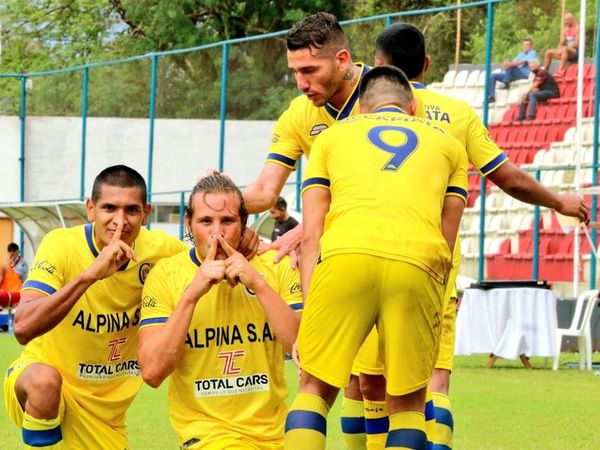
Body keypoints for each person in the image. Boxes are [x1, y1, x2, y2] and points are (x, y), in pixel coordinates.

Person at [337, 22, 589, 450]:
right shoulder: (458, 114)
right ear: (428, 65)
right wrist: (558, 202)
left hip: (365, 254)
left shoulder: (358, 114)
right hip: (432, 266)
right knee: (432, 379)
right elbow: (507, 177)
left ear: (377, 67)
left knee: (364, 382)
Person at [285, 65, 467, 450]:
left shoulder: (332, 139)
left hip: (345, 255)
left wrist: (308, 309)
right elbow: (446, 242)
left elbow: (312, 234)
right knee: (408, 404)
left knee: (314, 387)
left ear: (362, 111)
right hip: (417, 262)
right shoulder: (450, 146)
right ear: (414, 107)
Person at [3, 165, 188, 449]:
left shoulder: (163, 252)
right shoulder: (61, 244)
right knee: (44, 382)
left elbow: (208, 249)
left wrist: (249, 240)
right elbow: (23, 327)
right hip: (48, 387)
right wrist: (90, 275)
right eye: (109, 208)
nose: (120, 221)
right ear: (91, 209)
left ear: (147, 213)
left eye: (132, 210)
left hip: (105, 414)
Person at [138, 174, 302, 449]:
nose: (217, 233)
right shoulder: (166, 275)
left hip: (275, 436)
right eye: (206, 222)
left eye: (227, 221)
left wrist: (259, 285)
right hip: (206, 436)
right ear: (188, 223)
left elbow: (305, 352)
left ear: (244, 223)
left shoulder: (275, 265)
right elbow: (152, 372)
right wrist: (191, 295)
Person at [488, 38, 538, 103]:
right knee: (493, 75)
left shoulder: (533, 52)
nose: (525, 46)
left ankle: (506, 83)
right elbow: (513, 61)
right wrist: (506, 63)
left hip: (523, 74)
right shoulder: (521, 53)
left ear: (531, 46)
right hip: (513, 74)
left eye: (527, 45)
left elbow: (523, 62)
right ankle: (491, 96)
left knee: (509, 61)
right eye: (524, 45)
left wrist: (509, 64)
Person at [544, 12, 579, 79]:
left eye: (568, 20)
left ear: (572, 19)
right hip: (566, 52)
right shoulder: (565, 29)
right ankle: (544, 72)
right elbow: (561, 42)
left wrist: (565, 48)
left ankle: (560, 71)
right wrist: (559, 49)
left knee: (564, 49)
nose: (566, 22)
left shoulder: (577, 28)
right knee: (548, 52)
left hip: (575, 52)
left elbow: (576, 44)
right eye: (565, 20)